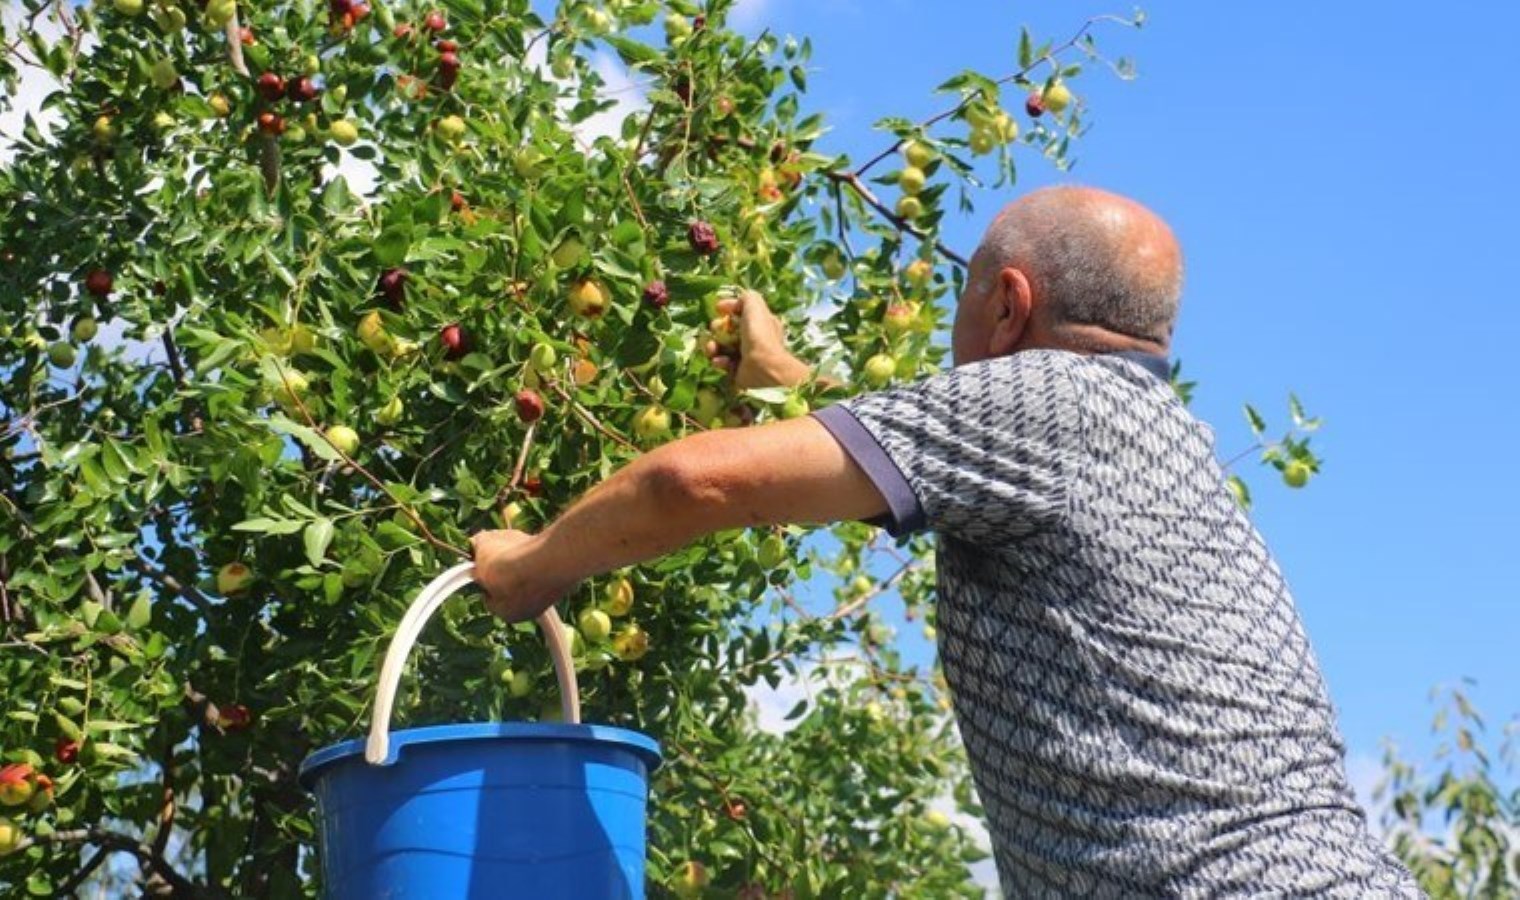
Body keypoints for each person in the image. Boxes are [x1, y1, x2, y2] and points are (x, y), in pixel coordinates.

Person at [471, 186, 1421, 896]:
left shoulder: (1045, 401)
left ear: (1009, 304)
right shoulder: (1146, 431)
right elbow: (941, 462)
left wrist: (530, 567)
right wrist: (788, 383)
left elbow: (692, 480)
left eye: (964, 304)